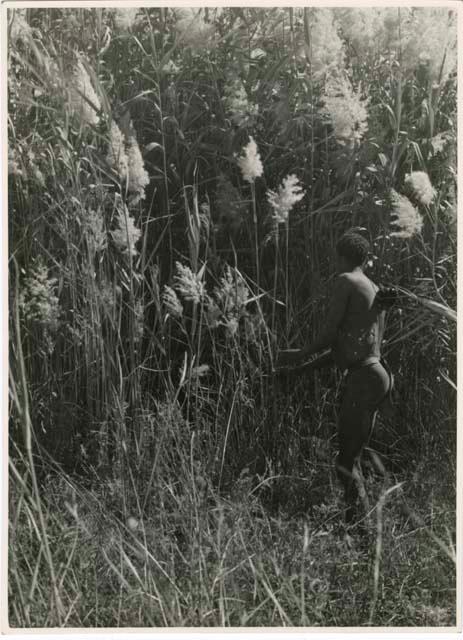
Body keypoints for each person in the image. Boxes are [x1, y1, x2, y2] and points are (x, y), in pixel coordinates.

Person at [277, 231, 394, 524]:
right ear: (364, 259)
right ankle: (359, 526)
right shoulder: (372, 287)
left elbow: (330, 336)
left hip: (364, 378)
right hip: (377, 375)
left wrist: (298, 353)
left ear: (339, 256)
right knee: (352, 458)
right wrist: (299, 370)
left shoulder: (345, 281)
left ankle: (361, 531)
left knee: (345, 462)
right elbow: (346, 350)